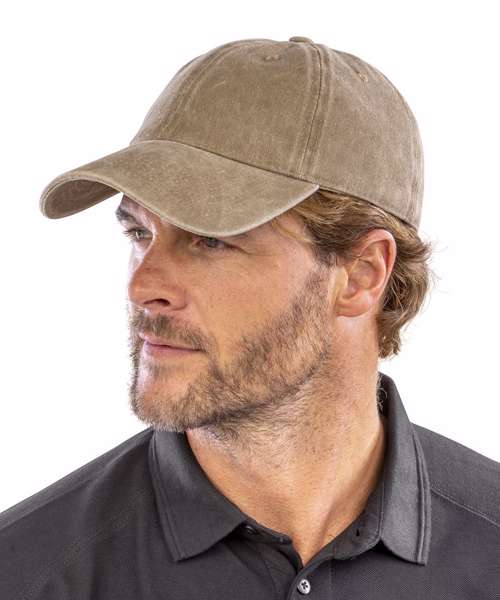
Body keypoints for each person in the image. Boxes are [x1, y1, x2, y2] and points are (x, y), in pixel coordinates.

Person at [1, 36, 499, 599]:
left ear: (361, 274)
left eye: (210, 240)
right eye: (140, 232)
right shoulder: (29, 576)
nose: (142, 287)